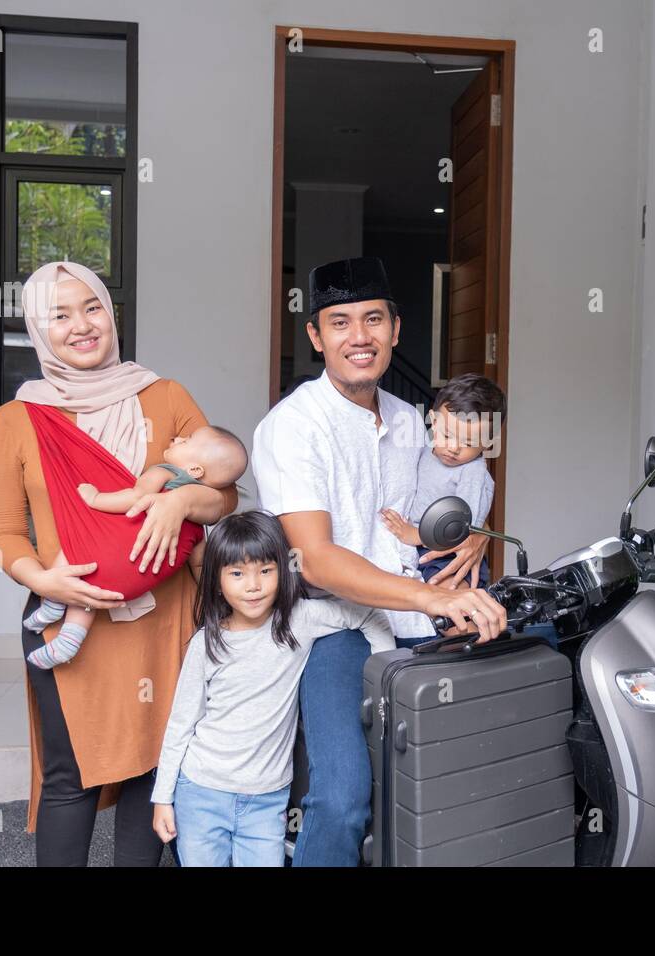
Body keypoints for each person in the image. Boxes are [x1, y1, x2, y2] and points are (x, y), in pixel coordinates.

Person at [252, 255, 507, 866]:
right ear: (315, 337)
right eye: (339, 323)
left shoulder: (410, 421)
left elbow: (455, 492)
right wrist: (433, 596)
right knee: (342, 800)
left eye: (373, 319)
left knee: (460, 771)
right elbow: (313, 559)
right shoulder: (293, 427)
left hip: (416, 623)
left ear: (396, 329)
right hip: (334, 629)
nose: (358, 336)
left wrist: (479, 532)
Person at [0, 260, 237, 866]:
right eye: (59, 315)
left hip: (163, 619)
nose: (81, 326)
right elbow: (5, 533)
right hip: (67, 615)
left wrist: (180, 504)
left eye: (91, 307)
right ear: (39, 330)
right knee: (72, 777)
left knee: (155, 767)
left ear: (111, 313)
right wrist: (41, 578)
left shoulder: (166, 396)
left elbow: (222, 492)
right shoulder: (15, 421)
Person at [150, 511, 393, 867]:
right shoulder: (206, 643)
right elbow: (181, 723)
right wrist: (163, 798)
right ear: (217, 580)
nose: (253, 585)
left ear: (283, 569)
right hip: (202, 790)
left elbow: (368, 614)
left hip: (266, 801)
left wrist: (382, 672)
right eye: (237, 573)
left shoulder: (301, 620)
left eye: (265, 571)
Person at [23, 425, 248, 669]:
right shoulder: (198, 518)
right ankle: (69, 639)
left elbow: (135, 496)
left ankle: (53, 605)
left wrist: (95, 498)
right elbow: (199, 560)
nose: (178, 438)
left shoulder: (164, 472)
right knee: (94, 585)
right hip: (139, 578)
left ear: (194, 469)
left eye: (187, 440)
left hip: (113, 555)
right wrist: (209, 591)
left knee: (77, 548)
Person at [380, 372, 506, 592]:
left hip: (448, 554)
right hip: (420, 548)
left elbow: (463, 530)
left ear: (487, 443)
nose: (453, 448)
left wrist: (414, 535)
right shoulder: (425, 450)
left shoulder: (473, 473)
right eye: (447, 435)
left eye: (468, 442)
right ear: (434, 421)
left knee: (453, 601)